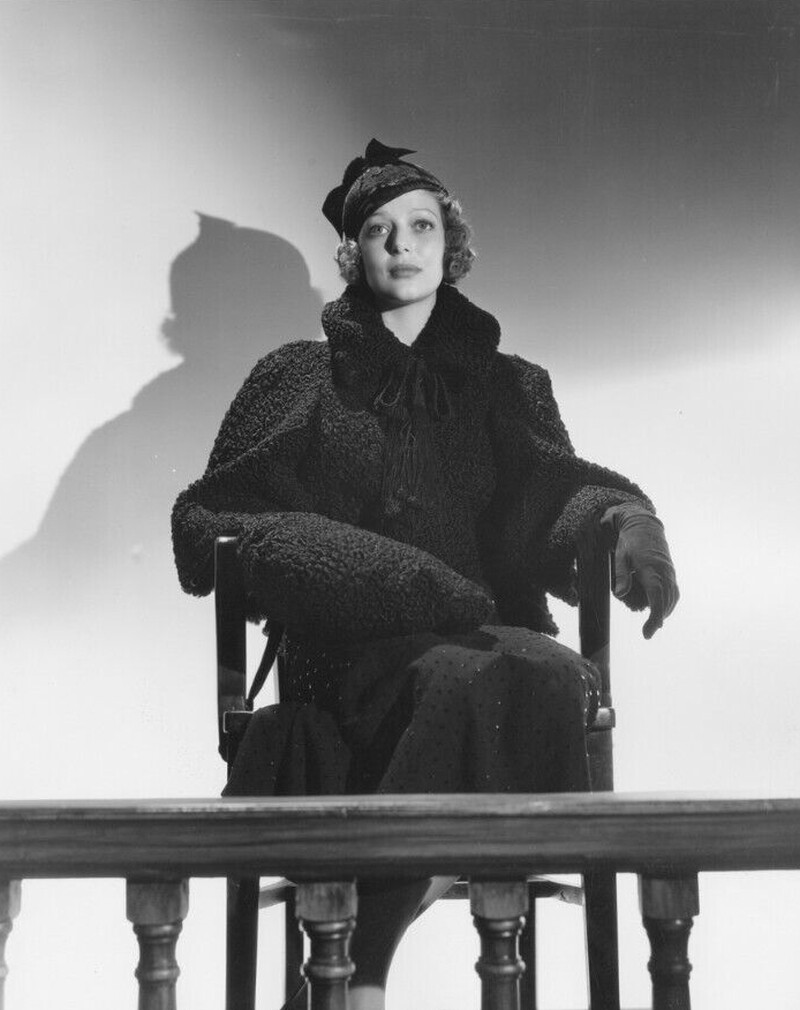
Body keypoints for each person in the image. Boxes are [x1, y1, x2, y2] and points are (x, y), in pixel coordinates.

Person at [171, 139, 678, 1009]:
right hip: (350, 650)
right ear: (353, 253)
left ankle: (347, 973)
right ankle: (363, 974)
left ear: (451, 246)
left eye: (421, 227)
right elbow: (211, 521)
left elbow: (550, 491)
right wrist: (360, 568)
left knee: (548, 673)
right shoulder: (299, 379)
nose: (402, 245)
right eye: (379, 230)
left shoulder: (507, 385)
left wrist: (625, 520)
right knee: (470, 679)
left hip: (484, 640)